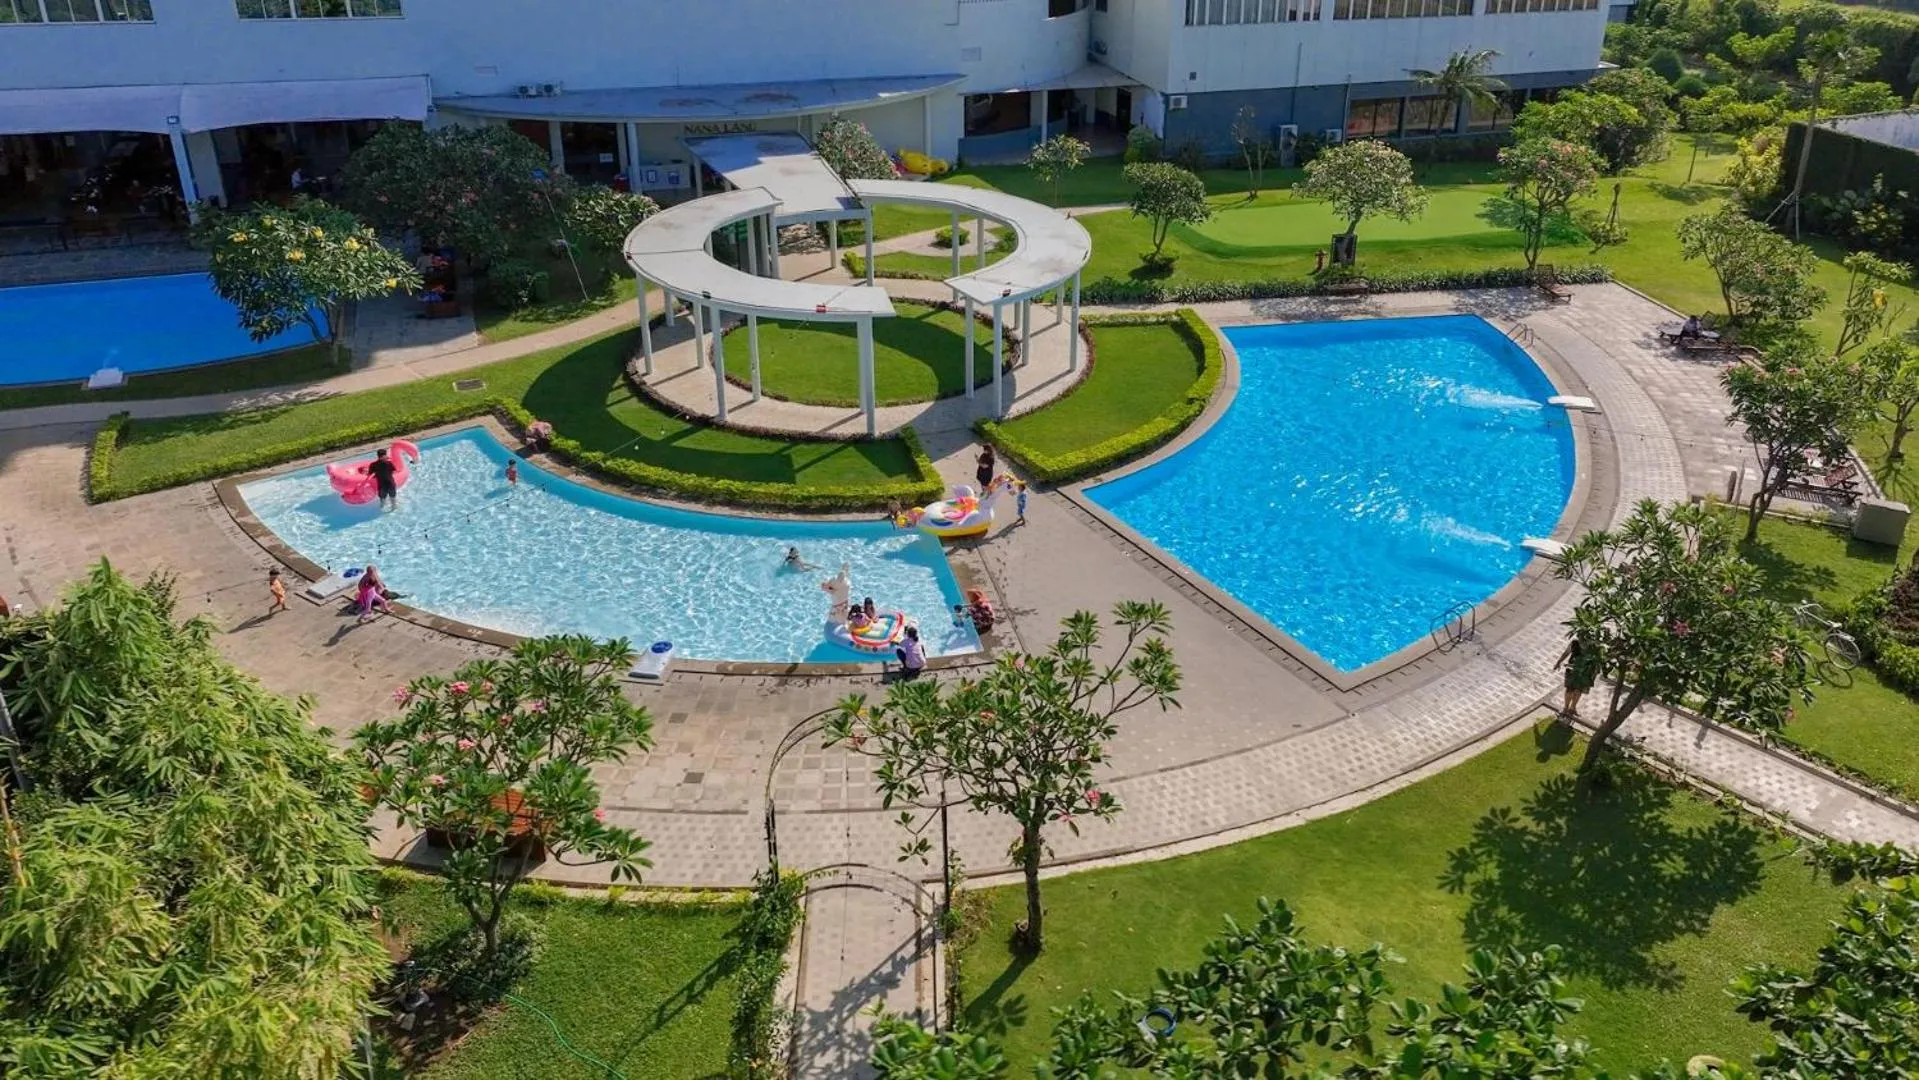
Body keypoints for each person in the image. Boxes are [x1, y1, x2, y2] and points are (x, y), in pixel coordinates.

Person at [1557, 636, 1600, 719]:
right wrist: (1558, 662)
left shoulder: (1593, 646)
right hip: (1572, 670)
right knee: (1570, 689)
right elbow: (1566, 652)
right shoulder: (1575, 643)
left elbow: (1596, 660)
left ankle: (1572, 708)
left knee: (1578, 691)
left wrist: (1594, 674)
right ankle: (1565, 708)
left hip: (1585, 672)